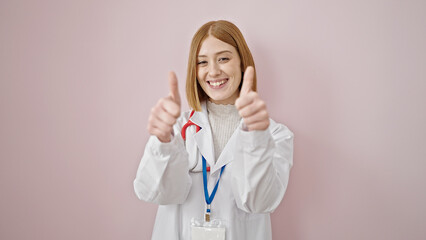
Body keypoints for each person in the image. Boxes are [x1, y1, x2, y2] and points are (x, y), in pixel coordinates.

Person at [134, 20, 294, 240]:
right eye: (202, 62)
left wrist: (255, 138)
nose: (213, 71)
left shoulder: (276, 136)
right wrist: (162, 142)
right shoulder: (177, 128)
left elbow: (258, 202)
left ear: (242, 63)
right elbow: (153, 192)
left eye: (224, 58)